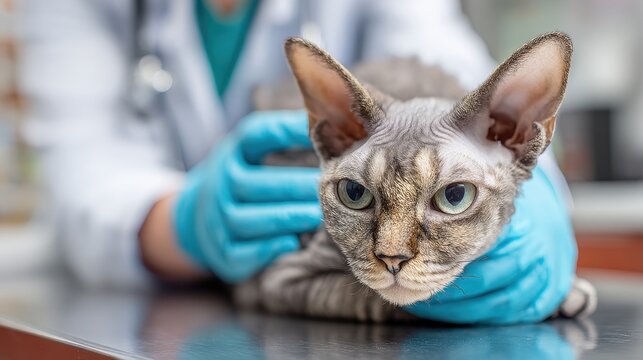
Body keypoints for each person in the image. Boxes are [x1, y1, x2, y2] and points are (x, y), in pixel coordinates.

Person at [19, 0, 576, 324]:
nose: (394, 252)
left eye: (451, 197)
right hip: (135, 301)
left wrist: (537, 194)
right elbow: (80, 167)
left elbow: (451, 66)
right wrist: (184, 222)